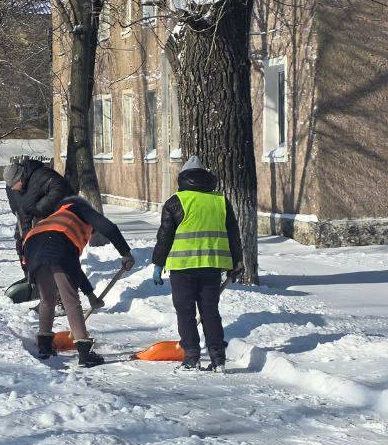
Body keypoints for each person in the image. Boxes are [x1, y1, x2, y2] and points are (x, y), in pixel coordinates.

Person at [151, 155, 243, 372]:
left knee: (185, 313)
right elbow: (233, 235)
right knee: (210, 311)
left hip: (182, 267)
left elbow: (165, 236)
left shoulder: (176, 201)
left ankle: (191, 357)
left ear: (183, 178)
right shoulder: (220, 201)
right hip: (212, 265)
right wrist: (236, 262)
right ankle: (218, 358)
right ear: (206, 178)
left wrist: (158, 263)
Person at [22, 195, 134, 367]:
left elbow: (74, 269)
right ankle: (84, 353)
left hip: (31, 247)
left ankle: (44, 346)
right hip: (55, 246)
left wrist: (91, 295)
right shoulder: (77, 207)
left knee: (47, 299)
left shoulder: (54, 219)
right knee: (70, 300)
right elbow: (109, 227)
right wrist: (125, 252)